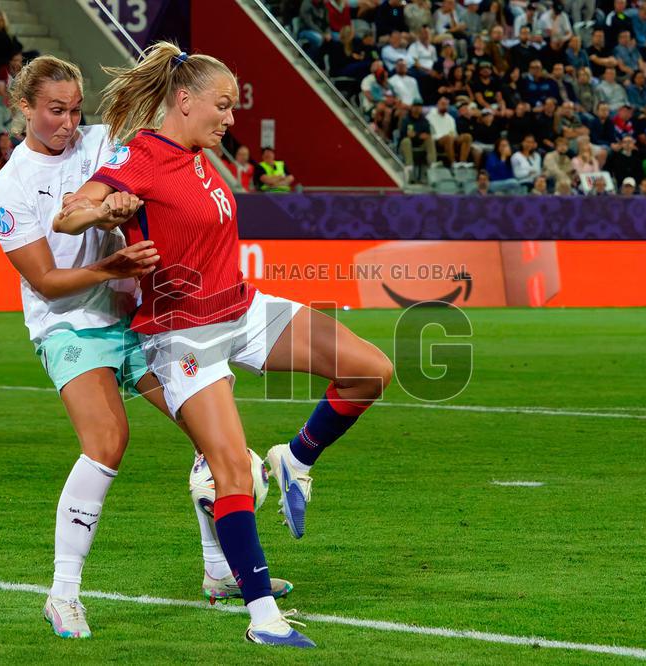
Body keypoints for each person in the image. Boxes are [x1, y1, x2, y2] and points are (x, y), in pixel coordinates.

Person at [54, 42, 393, 647]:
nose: (231, 119)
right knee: (232, 470)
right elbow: (70, 214)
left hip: (241, 307)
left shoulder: (197, 156)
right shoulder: (143, 156)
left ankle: (295, 459)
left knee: (370, 370)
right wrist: (102, 212)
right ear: (184, 100)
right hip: (182, 333)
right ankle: (262, 617)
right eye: (224, 105)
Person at [0, 55, 292, 641]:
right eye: (54, 111)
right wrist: (111, 262)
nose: (68, 123)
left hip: (140, 318)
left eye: (75, 109)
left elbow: (146, 175)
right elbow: (46, 282)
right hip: (70, 326)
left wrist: (121, 213)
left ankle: (218, 571)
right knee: (108, 440)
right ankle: (63, 594)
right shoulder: (11, 185)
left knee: (219, 446)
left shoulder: (104, 143)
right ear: (24, 107)